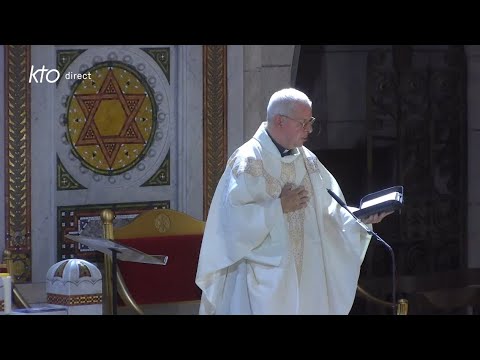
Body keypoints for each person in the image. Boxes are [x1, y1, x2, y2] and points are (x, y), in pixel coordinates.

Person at [195, 88, 391, 315]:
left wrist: (361, 218)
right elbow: (232, 225)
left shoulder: (308, 160)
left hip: (306, 278)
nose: (309, 129)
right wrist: (278, 207)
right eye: (303, 122)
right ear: (280, 120)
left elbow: (330, 212)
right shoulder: (248, 161)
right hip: (261, 283)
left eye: (311, 122)